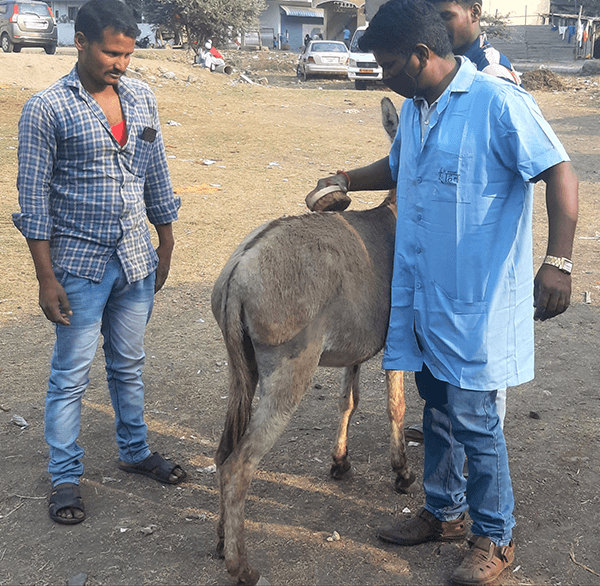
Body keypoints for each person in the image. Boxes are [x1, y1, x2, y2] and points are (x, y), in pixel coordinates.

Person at [306, 0, 578, 584]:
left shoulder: (498, 102)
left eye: (388, 65)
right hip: (424, 295)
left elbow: (559, 172)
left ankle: (496, 536)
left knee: (477, 420)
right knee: (438, 410)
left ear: (423, 55)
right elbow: (399, 166)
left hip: (476, 302)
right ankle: (444, 511)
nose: (383, 77)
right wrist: (346, 178)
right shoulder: (418, 111)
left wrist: (558, 261)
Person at [13, 0, 186, 525]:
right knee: (71, 376)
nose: (121, 64)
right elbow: (34, 198)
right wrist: (46, 278)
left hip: (136, 257)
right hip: (79, 266)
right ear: (81, 41)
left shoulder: (141, 97)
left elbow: (154, 170)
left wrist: (167, 243)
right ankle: (65, 476)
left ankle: (134, 452)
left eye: (128, 55)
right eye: (111, 53)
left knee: (128, 365)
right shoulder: (46, 109)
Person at [404, 0, 519, 445]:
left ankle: (484, 440)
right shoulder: (437, 76)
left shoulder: (491, 73)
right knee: (446, 360)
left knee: (481, 370)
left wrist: (559, 260)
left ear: (474, 11)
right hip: (443, 242)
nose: (439, 25)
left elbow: (523, 160)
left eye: (446, 15)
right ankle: (453, 439)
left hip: (479, 241)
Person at [431, 0, 520, 85]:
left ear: (475, 13)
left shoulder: (491, 72)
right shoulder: (449, 64)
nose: (437, 27)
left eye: (446, 17)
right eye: (433, 19)